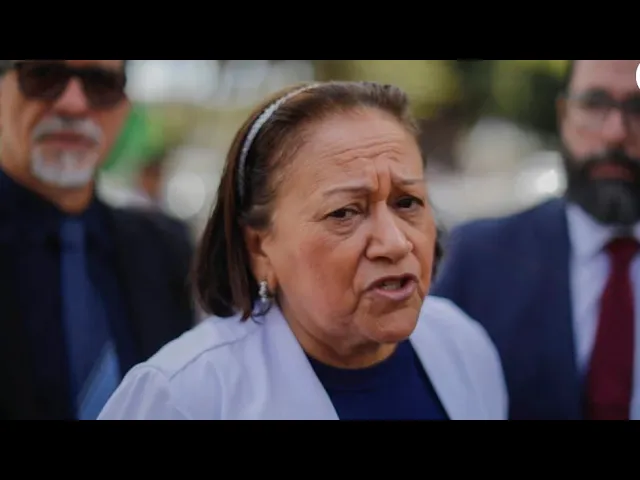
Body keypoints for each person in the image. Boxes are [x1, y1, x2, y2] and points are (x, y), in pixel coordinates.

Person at [98, 80, 507, 421]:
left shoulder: (464, 346)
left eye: (407, 202)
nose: (395, 242)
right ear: (260, 248)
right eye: (344, 212)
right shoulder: (184, 398)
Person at [432, 60, 640, 420]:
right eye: (594, 104)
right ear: (563, 114)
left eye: (638, 108)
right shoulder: (479, 262)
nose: (615, 132)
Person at [0, 60, 195, 420]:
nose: (74, 104)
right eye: (44, 76)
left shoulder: (166, 250)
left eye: (100, 83)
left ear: (124, 106)